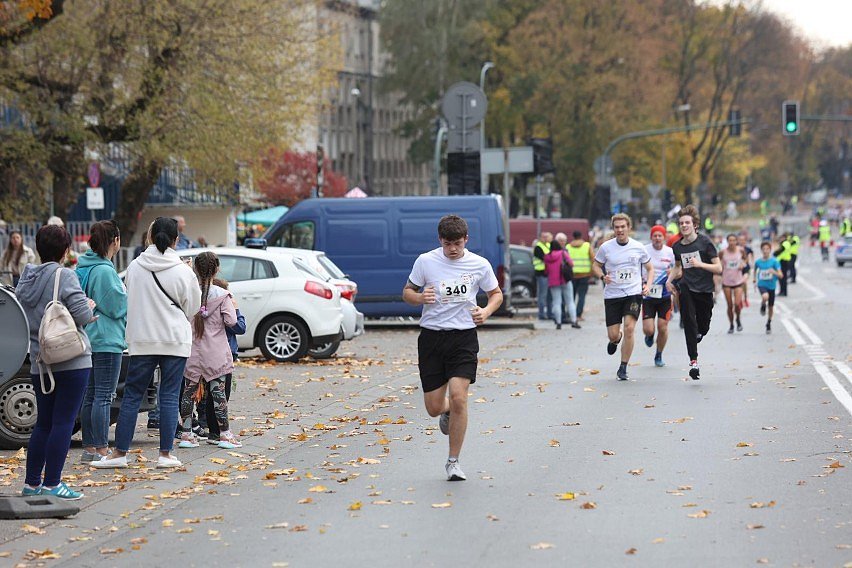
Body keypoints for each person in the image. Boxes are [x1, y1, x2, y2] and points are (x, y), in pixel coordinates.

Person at [92, 217, 201, 469]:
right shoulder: (183, 271)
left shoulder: (135, 267)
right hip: (174, 339)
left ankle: (119, 453)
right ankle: (165, 454)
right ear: (176, 240)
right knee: (169, 395)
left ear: (150, 237)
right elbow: (193, 307)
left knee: (131, 396)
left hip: (142, 339)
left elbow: (130, 298)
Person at [402, 215, 502, 481]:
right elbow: (407, 292)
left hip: (463, 338)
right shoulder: (426, 261)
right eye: (448, 244)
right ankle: (445, 411)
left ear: (466, 240)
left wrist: (487, 311)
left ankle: (453, 461)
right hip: (432, 339)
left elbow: (496, 294)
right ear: (440, 241)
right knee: (434, 407)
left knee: (460, 396)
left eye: (457, 243)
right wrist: (420, 297)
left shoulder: (479, 264)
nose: (453, 249)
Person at [16, 225, 95, 500]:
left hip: (40, 361)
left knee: (44, 423)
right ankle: (53, 483)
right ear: (65, 250)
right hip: (71, 359)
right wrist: (90, 307)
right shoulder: (65, 275)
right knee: (64, 422)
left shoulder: (25, 280)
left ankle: (31, 483)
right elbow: (82, 316)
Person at [75, 220, 127, 463]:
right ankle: (102, 449)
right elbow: (117, 307)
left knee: (91, 394)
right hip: (107, 338)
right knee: (104, 396)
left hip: (88, 336)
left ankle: (89, 449)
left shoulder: (83, 267)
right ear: (114, 241)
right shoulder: (105, 271)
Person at [178, 252, 241, 449]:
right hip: (216, 353)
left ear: (195, 269)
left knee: (188, 394)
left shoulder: (188, 293)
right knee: (218, 395)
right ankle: (224, 435)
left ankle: (187, 435)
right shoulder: (223, 296)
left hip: (192, 352)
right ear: (216, 269)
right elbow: (232, 322)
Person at [591, 213, 653, 381]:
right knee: (613, 334)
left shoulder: (639, 247)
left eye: (622, 227)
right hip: (612, 295)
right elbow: (596, 266)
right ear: (613, 229)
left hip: (633, 293)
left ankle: (623, 367)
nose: (620, 230)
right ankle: (615, 340)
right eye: (616, 227)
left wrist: (648, 285)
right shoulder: (606, 247)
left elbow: (650, 268)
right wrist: (602, 277)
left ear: (628, 228)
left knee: (629, 329)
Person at [667, 205, 722, 381]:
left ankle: (700, 332)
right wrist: (668, 281)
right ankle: (693, 362)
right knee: (689, 321)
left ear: (694, 224)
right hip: (687, 287)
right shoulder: (677, 247)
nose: (684, 225)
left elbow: (719, 268)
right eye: (681, 223)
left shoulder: (705, 243)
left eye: (687, 222)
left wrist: (700, 265)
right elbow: (677, 267)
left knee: (703, 324)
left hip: (704, 289)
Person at [204, 277, 246, 444]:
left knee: (210, 393)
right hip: (223, 353)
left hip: (206, 352)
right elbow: (239, 327)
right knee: (222, 393)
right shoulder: (224, 303)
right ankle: (219, 432)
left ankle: (212, 430)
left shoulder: (204, 303)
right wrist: (236, 309)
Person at [641, 226, 675, 368]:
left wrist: (672, 274)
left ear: (664, 237)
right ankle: (649, 336)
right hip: (648, 294)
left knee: (662, 327)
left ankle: (659, 354)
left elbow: (677, 269)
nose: (657, 238)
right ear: (651, 237)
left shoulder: (670, 252)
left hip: (664, 295)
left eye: (660, 235)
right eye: (655, 235)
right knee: (649, 329)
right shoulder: (644, 250)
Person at [544, 237, 579, 330]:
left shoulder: (547, 257)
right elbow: (571, 264)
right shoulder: (563, 253)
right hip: (565, 280)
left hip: (553, 282)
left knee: (556, 302)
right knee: (570, 301)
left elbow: (546, 270)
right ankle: (574, 321)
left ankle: (558, 323)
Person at [753, 242, 783, 334]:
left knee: (771, 307)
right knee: (765, 296)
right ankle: (763, 304)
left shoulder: (775, 261)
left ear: (770, 250)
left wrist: (774, 272)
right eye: (764, 249)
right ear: (761, 250)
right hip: (762, 284)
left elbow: (781, 275)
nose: (765, 251)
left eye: (767, 249)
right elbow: (755, 271)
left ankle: (769, 322)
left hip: (772, 286)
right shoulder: (758, 262)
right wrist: (754, 279)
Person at [720, 234, 745, 333]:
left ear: (736, 241)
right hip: (726, 281)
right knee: (730, 305)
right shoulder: (722, 252)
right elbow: (717, 261)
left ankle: (738, 319)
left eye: (734, 240)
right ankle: (731, 325)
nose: (732, 242)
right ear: (727, 242)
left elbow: (745, 259)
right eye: (730, 240)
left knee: (737, 304)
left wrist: (743, 264)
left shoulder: (741, 250)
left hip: (738, 281)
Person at [567, 230, 594, 321]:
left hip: (572, 275)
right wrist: (591, 272)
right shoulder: (587, 246)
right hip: (584, 274)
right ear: (581, 236)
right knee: (582, 296)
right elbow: (593, 259)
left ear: (573, 236)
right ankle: (578, 315)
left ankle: (571, 314)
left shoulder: (568, 247)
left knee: (571, 296)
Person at [533, 232, 552, 320]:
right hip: (541, 273)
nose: (545, 238)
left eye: (546, 237)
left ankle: (549, 313)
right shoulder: (538, 247)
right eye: (543, 237)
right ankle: (541, 314)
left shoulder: (548, 245)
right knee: (542, 294)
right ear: (540, 238)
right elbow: (545, 258)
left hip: (548, 273)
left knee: (549, 295)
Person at [737, 233, 754, 308]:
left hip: (746, 268)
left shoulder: (748, 249)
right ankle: (740, 299)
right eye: (740, 240)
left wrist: (751, 262)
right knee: (738, 285)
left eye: (743, 240)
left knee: (744, 282)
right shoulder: (736, 248)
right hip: (737, 269)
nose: (742, 241)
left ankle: (746, 298)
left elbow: (751, 255)